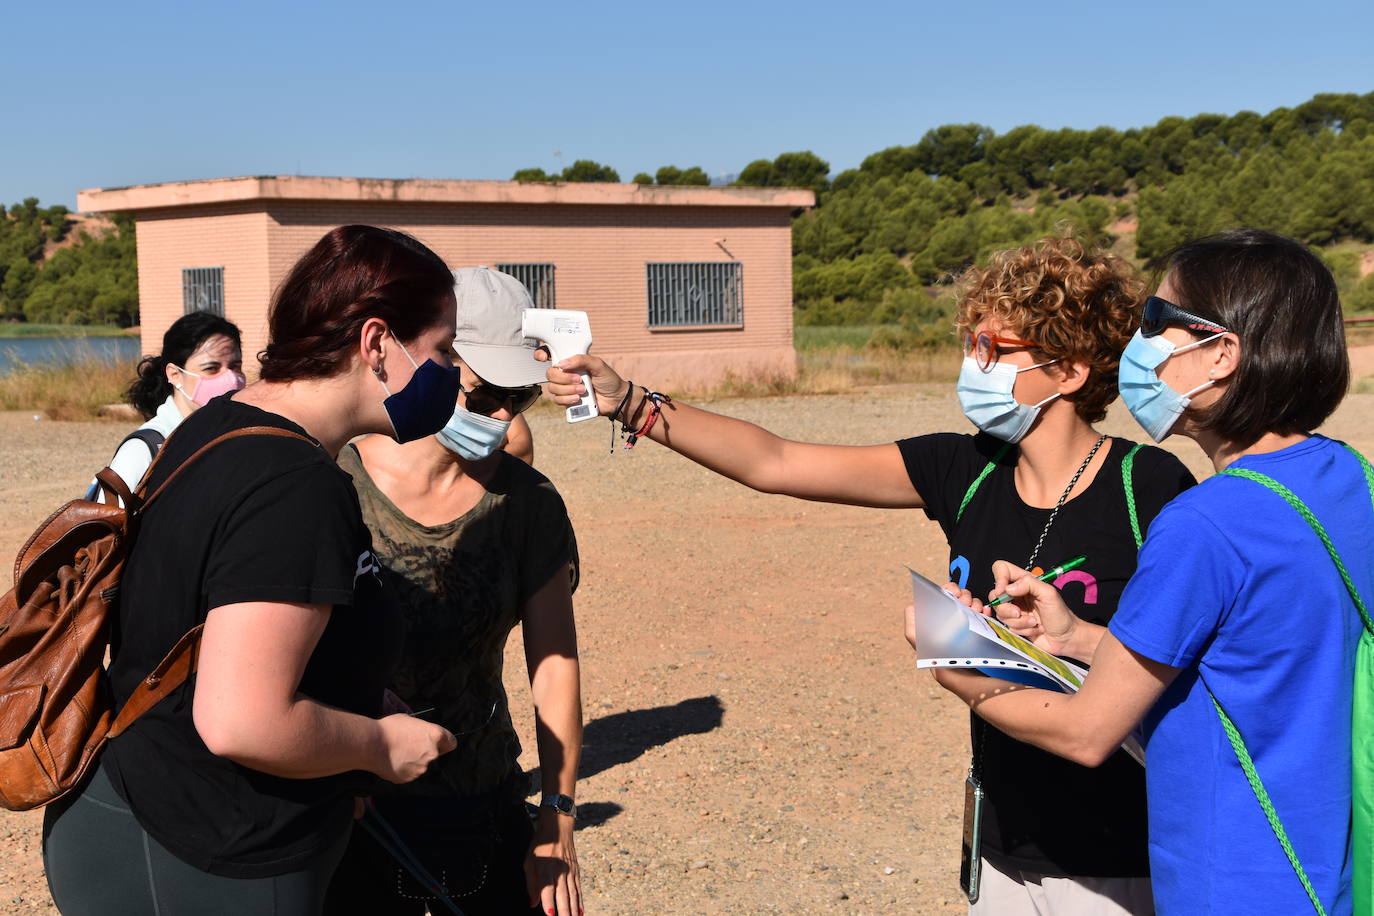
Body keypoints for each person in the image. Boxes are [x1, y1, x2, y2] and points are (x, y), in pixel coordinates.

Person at [545, 236, 1196, 913]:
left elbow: (1187, 661)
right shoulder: (962, 469)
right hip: (1006, 837)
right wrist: (633, 406)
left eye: (995, 351)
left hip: (1121, 851)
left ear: (1070, 372)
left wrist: (1050, 641)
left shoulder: (1145, 485)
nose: (974, 365)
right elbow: (777, 463)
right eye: (972, 343)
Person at [919, 229, 1364, 915]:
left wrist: (959, 672)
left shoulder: (1203, 523)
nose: (1138, 344)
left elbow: (1087, 732)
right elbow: (1246, 659)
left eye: (1159, 321)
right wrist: (1077, 638)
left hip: (1232, 880)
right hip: (1330, 868)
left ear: (1221, 354)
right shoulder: (1348, 479)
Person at [43, 225, 461, 915]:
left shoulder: (223, 425)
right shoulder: (293, 483)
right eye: (441, 348)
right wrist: (379, 745)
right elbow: (242, 720)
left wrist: (347, 698)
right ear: (377, 342)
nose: (452, 371)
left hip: (149, 811)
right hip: (206, 849)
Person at [323, 266, 584, 916]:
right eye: (480, 391)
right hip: (342, 813)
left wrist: (558, 813)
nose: (498, 415)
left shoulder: (528, 506)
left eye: (516, 397)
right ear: (429, 366)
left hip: (475, 812)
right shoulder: (330, 486)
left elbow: (554, 666)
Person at [92, 310, 245, 495]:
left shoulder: (235, 435)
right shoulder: (143, 450)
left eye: (235, 366)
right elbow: (107, 520)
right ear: (174, 374)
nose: (230, 378)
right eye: (211, 368)